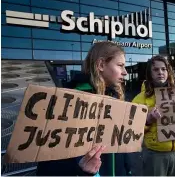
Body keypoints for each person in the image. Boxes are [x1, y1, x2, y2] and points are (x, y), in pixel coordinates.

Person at [36, 42, 131, 176]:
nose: (125, 72)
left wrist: (127, 170)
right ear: (101, 65)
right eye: (120, 65)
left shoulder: (115, 98)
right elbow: (51, 159)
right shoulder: (69, 101)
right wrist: (81, 171)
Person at [132, 55, 175, 176]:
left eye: (163, 69)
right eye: (156, 70)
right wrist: (148, 120)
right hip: (155, 154)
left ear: (168, 72)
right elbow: (131, 130)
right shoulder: (140, 99)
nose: (160, 72)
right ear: (150, 74)